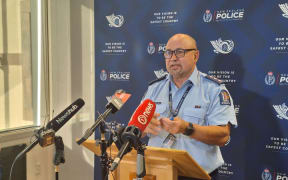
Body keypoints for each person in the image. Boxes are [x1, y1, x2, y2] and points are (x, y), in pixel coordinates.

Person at [141, 34, 237, 180]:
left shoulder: (214, 89)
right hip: (157, 173)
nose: (173, 58)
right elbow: (135, 128)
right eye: (168, 53)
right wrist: (143, 127)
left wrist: (187, 128)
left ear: (195, 55)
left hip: (196, 176)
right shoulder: (154, 88)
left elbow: (223, 135)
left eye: (180, 52)